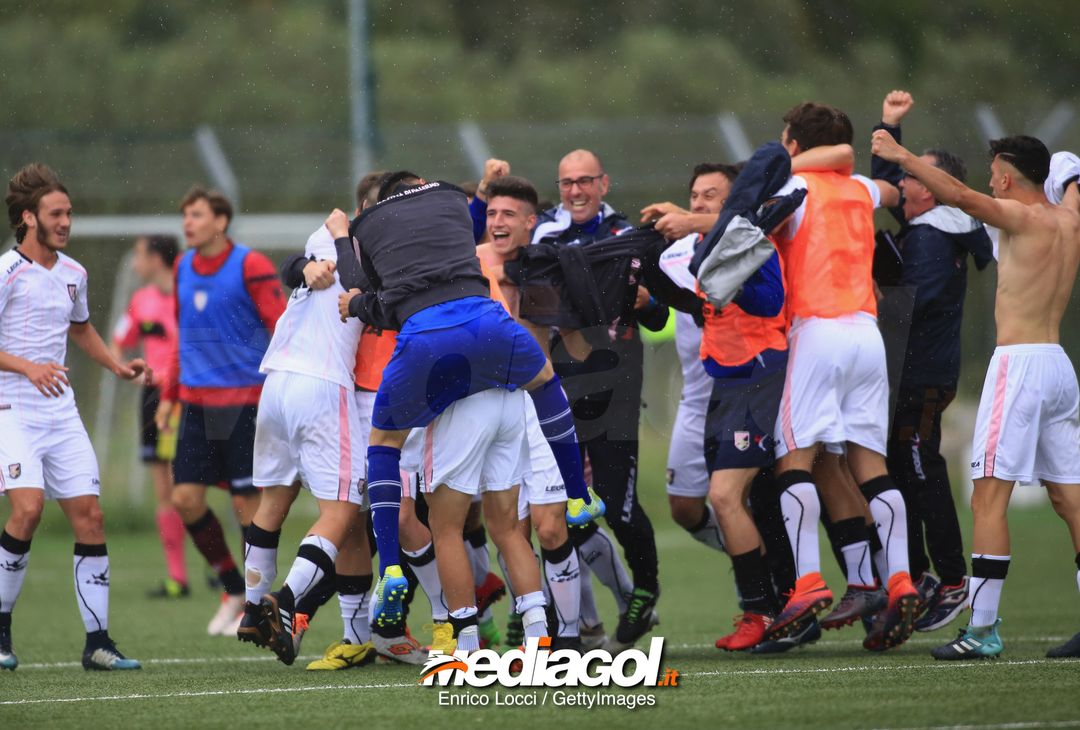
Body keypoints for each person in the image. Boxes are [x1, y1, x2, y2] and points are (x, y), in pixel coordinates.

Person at [333, 171, 603, 632]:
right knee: (543, 385)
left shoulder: (372, 223)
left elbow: (368, 291)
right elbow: (464, 225)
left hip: (433, 347)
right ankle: (574, 511)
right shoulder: (453, 202)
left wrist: (343, 240)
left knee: (393, 459)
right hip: (494, 341)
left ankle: (409, 583)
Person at [871, 131, 1080, 660]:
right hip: (1058, 367)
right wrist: (1069, 174)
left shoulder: (1025, 217)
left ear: (1008, 176)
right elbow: (1070, 176)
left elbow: (960, 197)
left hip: (1020, 365)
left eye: (993, 173)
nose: (988, 181)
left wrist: (902, 157)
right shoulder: (1069, 217)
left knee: (987, 496)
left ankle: (982, 630)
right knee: (1071, 500)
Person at [761, 103, 922, 652]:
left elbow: (755, 226)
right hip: (866, 334)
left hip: (816, 329)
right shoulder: (859, 189)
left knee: (795, 456)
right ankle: (898, 577)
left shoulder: (794, 187)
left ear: (794, 141)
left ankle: (807, 581)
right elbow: (895, 191)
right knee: (869, 463)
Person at [0, 163, 146, 670]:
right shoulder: (6, 272)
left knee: (91, 516)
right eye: (56, 213)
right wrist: (28, 367)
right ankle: (1, 632)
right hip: (12, 409)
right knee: (28, 510)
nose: (66, 221)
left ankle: (97, 644)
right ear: (28, 217)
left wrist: (117, 367)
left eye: (69, 213)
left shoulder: (74, 274)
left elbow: (81, 330)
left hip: (60, 412)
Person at [531, 149, 668, 649]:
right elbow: (539, 316)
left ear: (604, 184)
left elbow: (657, 318)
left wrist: (648, 303)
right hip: (557, 394)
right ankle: (564, 623)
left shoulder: (629, 237)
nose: (575, 191)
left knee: (617, 504)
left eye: (585, 181)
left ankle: (645, 590)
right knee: (558, 508)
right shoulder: (545, 236)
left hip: (615, 393)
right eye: (567, 183)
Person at [870, 90, 993, 633]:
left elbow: (911, 307)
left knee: (921, 470)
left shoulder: (942, 231)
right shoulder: (922, 226)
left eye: (916, 174)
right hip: (902, 375)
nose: (905, 180)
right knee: (900, 470)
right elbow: (883, 186)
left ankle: (950, 578)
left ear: (937, 190)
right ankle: (918, 573)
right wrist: (889, 127)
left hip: (923, 376)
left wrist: (873, 287)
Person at [155, 186, 285, 636]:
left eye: (196, 215)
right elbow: (181, 337)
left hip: (247, 403)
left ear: (220, 222)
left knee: (247, 509)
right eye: (185, 215)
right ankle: (232, 588)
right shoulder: (182, 267)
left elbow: (281, 325)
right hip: (195, 403)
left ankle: (256, 608)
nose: (187, 223)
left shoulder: (251, 265)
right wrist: (169, 397)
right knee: (185, 500)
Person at [477, 174, 584, 649]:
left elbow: (538, 349)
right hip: (487, 410)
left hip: (537, 405)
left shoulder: (544, 266)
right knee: (510, 529)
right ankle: (535, 633)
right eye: (492, 214)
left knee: (549, 525)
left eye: (509, 215)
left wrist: (523, 283)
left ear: (529, 223)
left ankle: (570, 638)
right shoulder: (468, 263)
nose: (498, 222)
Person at [110, 234, 189, 599]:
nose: (135, 263)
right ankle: (178, 577)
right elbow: (118, 343)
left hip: (189, 395)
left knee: (200, 484)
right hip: (154, 396)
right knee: (165, 487)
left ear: (157, 258)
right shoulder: (141, 301)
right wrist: (130, 369)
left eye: (139, 255)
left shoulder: (187, 295)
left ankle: (224, 568)